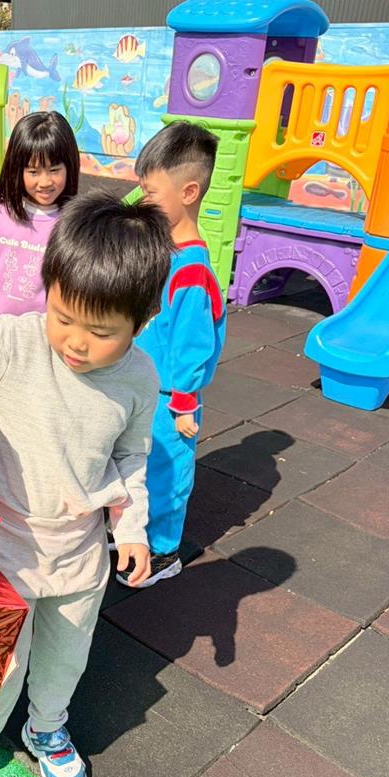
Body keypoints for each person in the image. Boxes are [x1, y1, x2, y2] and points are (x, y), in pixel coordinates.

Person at [0, 193, 174, 777]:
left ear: (143, 320)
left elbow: (131, 459)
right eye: (63, 316)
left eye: (100, 332)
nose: (76, 342)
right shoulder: (16, 342)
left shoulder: (139, 378)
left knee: (65, 657)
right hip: (5, 545)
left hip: (80, 552)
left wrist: (132, 527)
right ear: (48, 290)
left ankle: (46, 726)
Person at [117, 121, 227, 588]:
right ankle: (134, 533)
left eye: (150, 192)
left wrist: (184, 400)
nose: (141, 200)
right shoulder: (164, 249)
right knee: (135, 461)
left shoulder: (192, 269)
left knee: (166, 468)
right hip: (144, 381)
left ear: (188, 192)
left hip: (170, 396)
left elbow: (193, 344)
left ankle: (163, 549)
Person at [0, 110, 79, 326]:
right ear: (17, 170)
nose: (45, 182)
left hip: (45, 336)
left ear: (70, 166)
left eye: (54, 170)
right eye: (33, 172)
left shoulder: (72, 223)